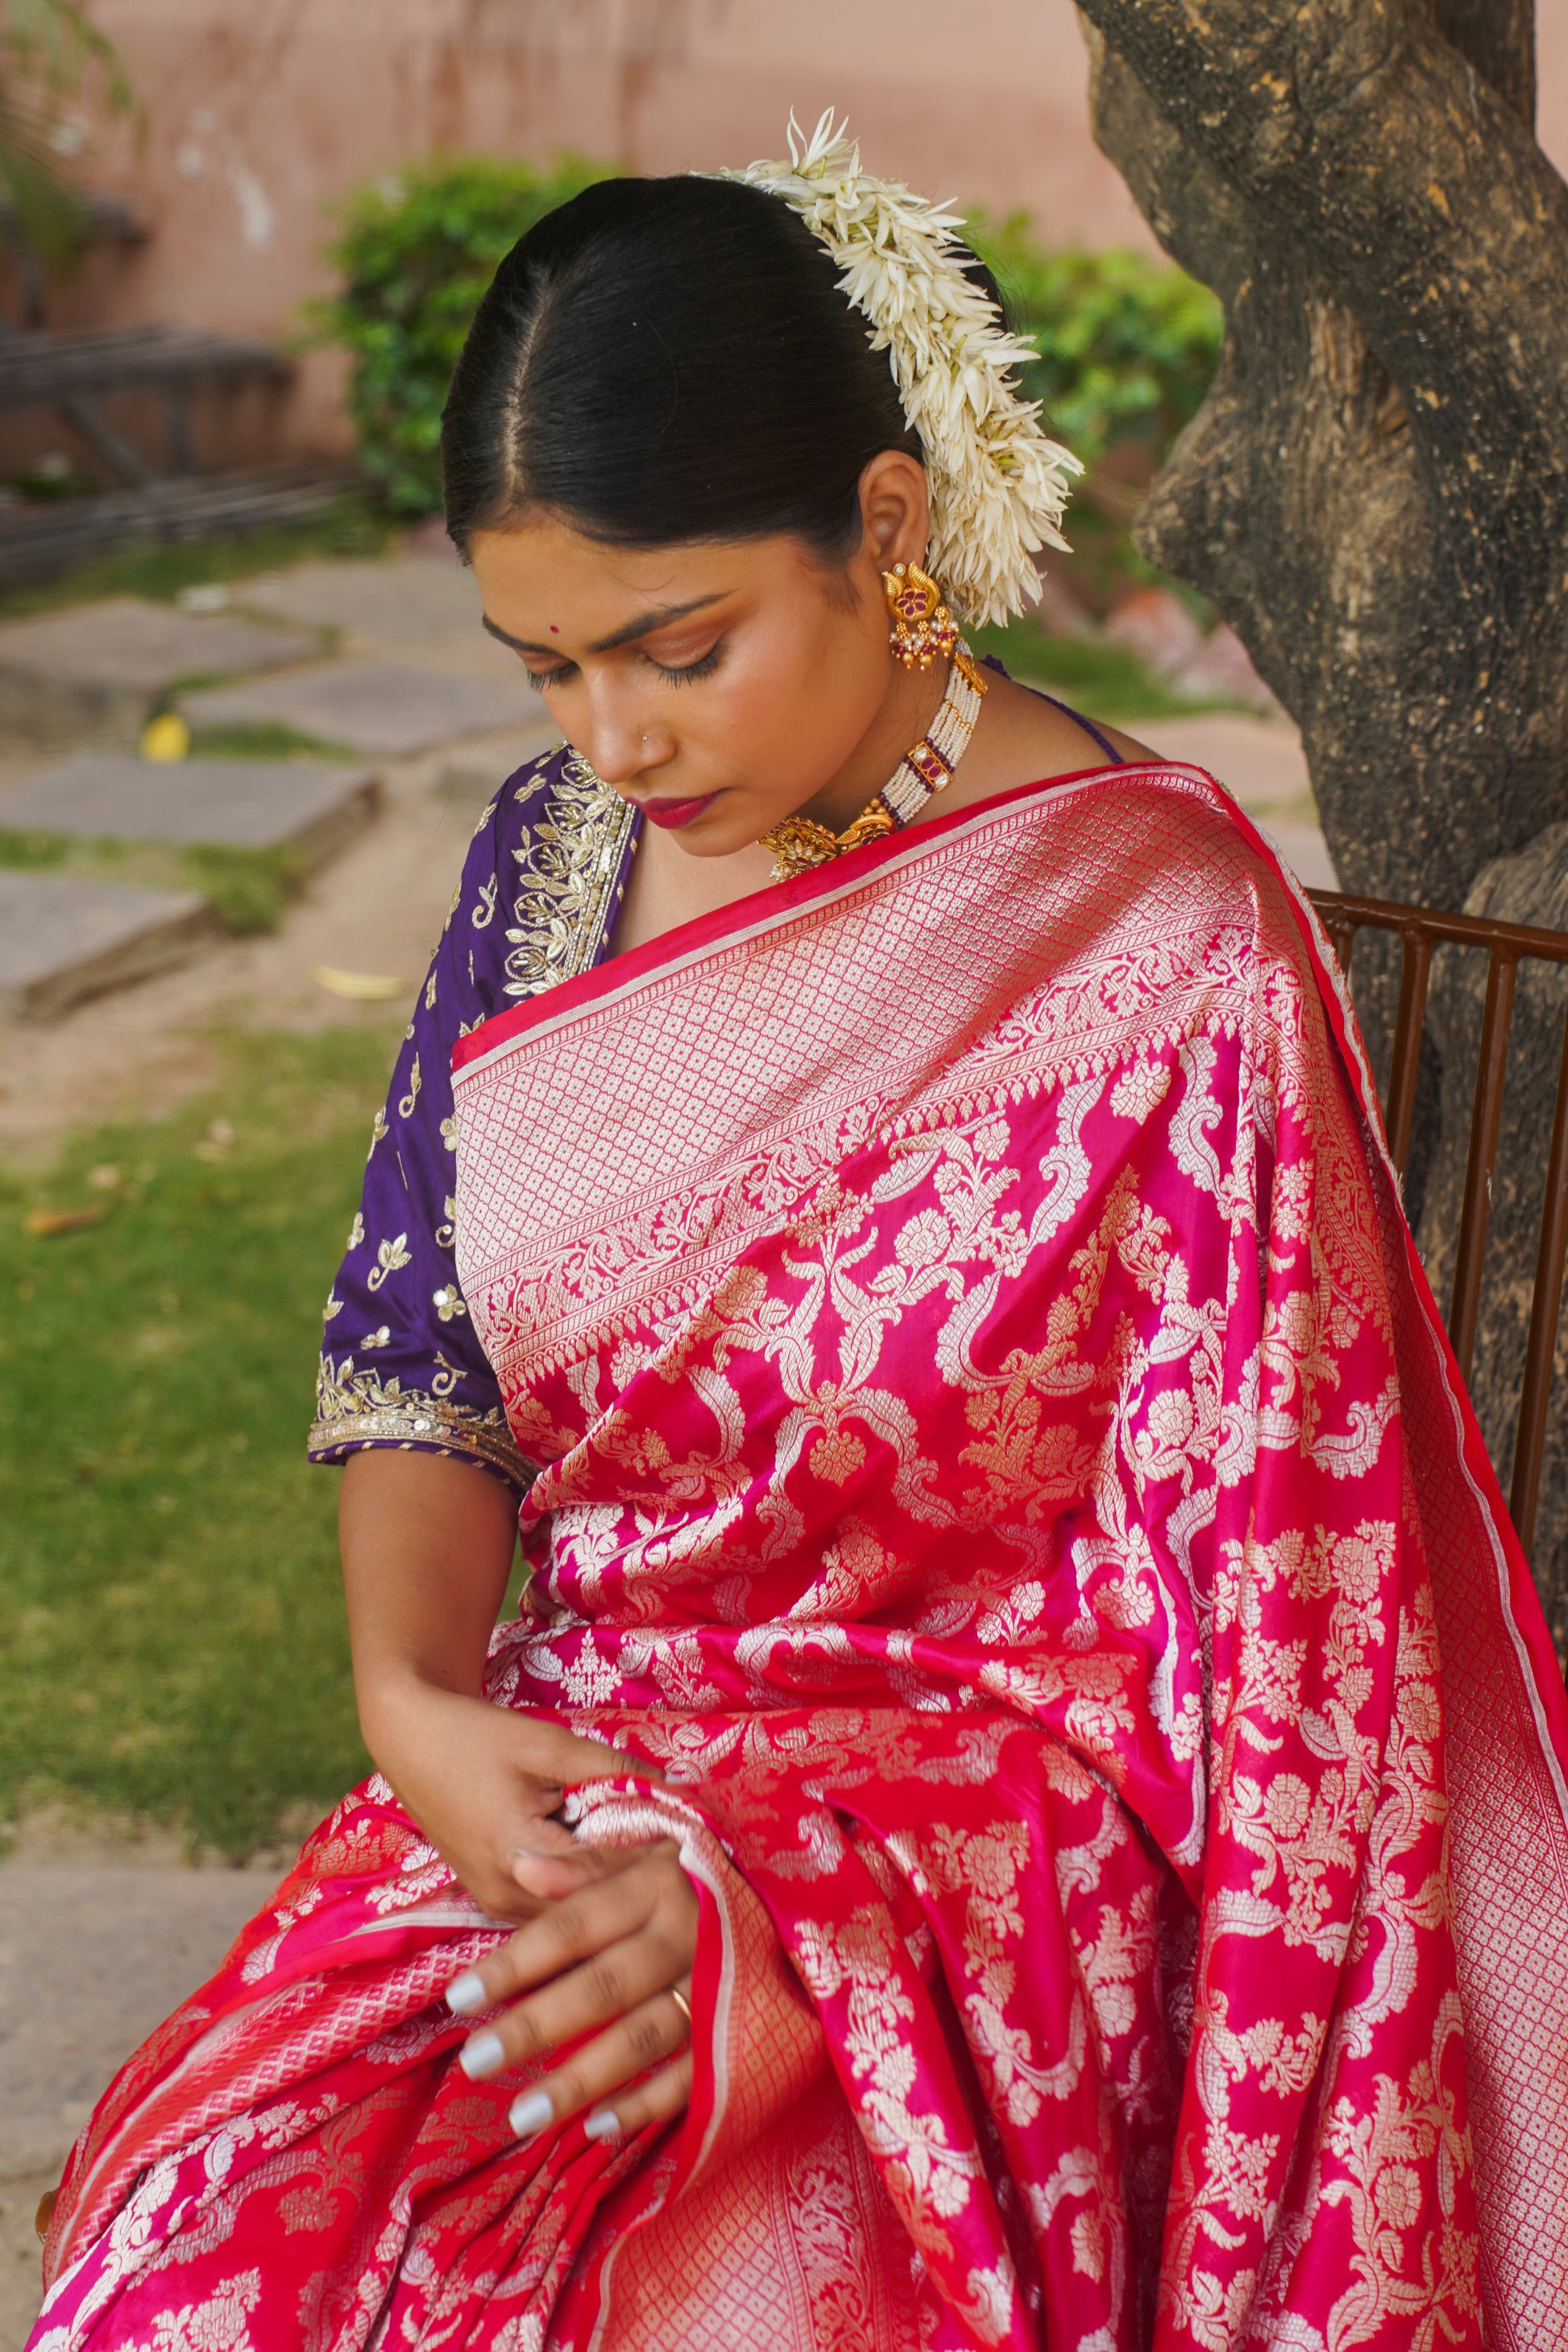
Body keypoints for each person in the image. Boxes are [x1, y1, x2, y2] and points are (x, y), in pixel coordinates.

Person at [29, 116, 1568, 2352]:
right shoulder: (547, 870)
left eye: (675, 646)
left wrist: (784, 1925)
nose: (613, 736)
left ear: (883, 527)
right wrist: (412, 1705)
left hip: (969, 1898)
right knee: (224, 2234)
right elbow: (418, 1359)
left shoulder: (1155, 949)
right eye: (542, 666)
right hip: (564, 1788)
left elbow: (1248, 1692)